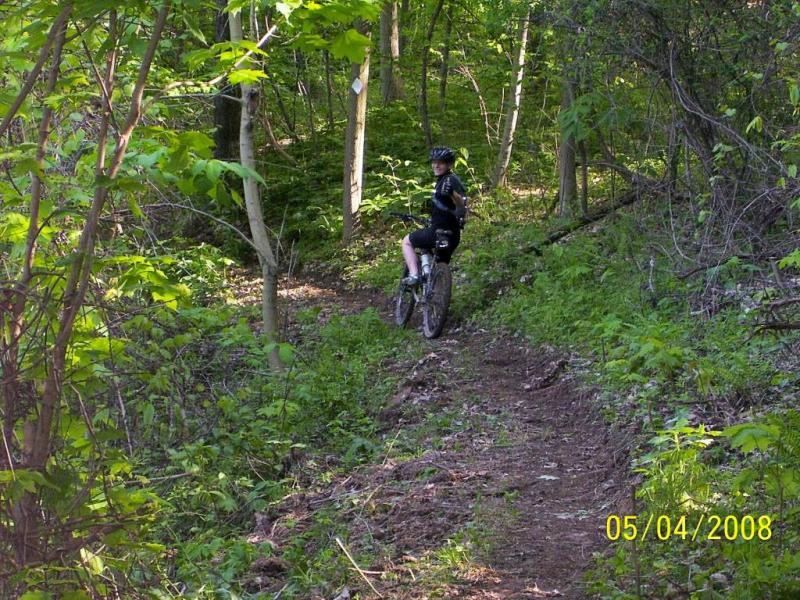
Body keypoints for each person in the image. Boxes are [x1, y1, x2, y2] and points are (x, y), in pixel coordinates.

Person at [401, 147, 467, 286]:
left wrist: (452, 194)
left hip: (439, 232)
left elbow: (461, 204)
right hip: (453, 235)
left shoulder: (449, 181)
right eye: (434, 162)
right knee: (438, 267)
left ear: (449, 165)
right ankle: (436, 300)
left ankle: (413, 275)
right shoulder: (446, 180)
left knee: (406, 241)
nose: (436, 165)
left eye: (441, 163)